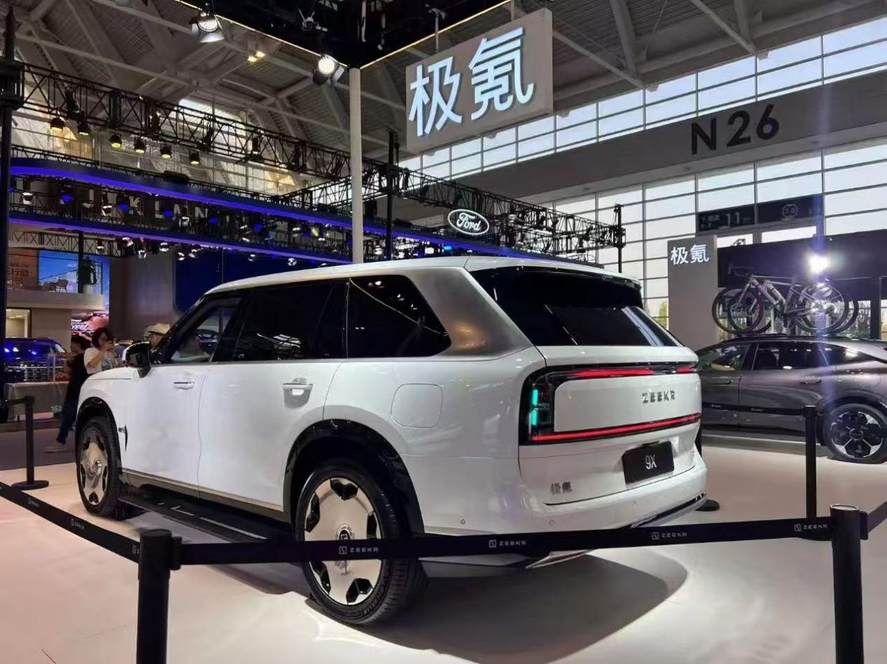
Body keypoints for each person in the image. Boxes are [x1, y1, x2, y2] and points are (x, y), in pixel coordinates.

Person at [45, 336, 90, 453]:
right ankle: (67, 440)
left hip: (77, 390)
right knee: (68, 415)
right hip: (75, 390)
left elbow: (69, 371)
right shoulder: (79, 357)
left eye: (72, 344)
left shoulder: (82, 357)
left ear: (78, 344)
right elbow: (68, 371)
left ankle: (61, 441)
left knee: (68, 416)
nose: (70, 346)